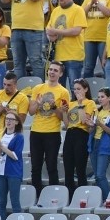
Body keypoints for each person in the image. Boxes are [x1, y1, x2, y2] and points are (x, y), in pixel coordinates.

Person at [0, 0, 48, 78]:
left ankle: (38, 88)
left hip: (33, 29)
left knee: (35, 62)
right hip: (16, 29)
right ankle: (19, 90)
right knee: (18, 63)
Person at [28, 61, 69, 196]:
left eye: (55, 70)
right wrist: (39, 105)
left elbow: (62, 117)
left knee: (51, 166)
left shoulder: (64, 92)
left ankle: (53, 196)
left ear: (61, 74)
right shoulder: (38, 88)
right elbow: (31, 112)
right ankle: (37, 196)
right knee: (35, 167)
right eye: (50, 69)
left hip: (52, 132)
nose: (52, 72)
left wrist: (53, 107)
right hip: (36, 131)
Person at [63, 79, 96, 199]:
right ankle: (69, 196)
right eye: (75, 89)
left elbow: (84, 121)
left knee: (80, 167)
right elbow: (67, 125)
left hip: (81, 134)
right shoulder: (72, 103)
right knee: (68, 168)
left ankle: (82, 196)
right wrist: (63, 112)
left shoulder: (89, 103)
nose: (76, 91)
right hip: (70, 134)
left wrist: (81, 104)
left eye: (79, 89)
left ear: (86, 89)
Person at [89, 87, 110, 201]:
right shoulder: (97, 111)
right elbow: (90, 131)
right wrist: (91, 126)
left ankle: (108, 199)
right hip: (94, 144)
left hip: (105, 146)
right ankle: (100, 200)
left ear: (109, 98)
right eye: (98, 97)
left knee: (100, 175)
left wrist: (100, 124)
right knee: (97, 177)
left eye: (102, 97)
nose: (100, 99)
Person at [0, 112, 24, 220]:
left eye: (11, 119)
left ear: (16, 122)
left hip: (13, 172)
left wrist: (2, 147)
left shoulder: (19, 137)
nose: (8, 121)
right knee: (1, 201)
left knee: (15, 201)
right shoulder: (2, 135)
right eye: (6, 119)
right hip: (0, 170)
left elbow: (16, 156)